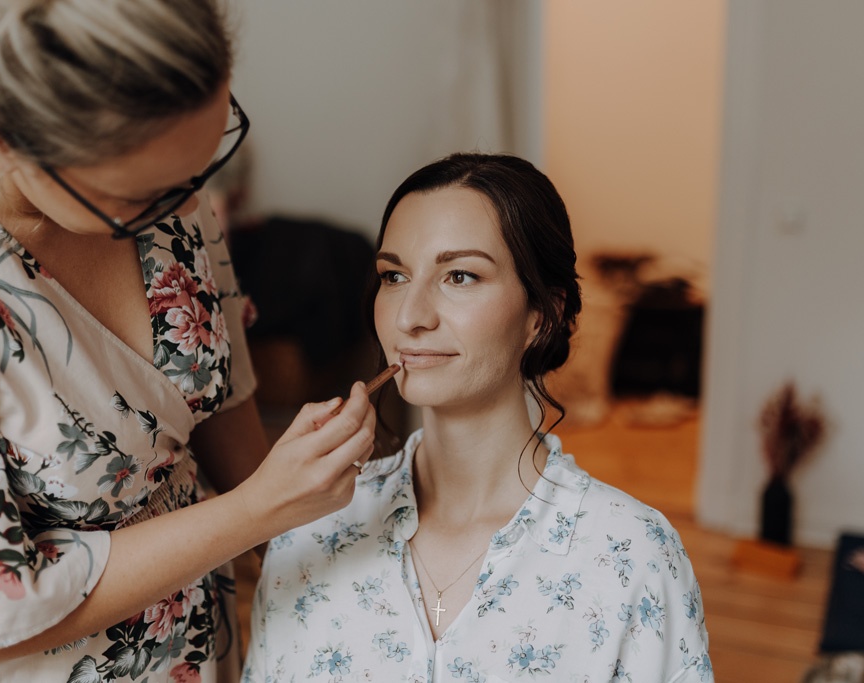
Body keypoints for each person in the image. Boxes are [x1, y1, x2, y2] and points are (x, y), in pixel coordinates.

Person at [0, 1, 376, 680]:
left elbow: (216, 396)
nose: (189, 210)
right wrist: (259, 508)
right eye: (147, 196)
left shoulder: (164, 178)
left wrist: (309, 549)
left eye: (203, 164)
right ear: (1, 144)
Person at [243, 153, 714, 682]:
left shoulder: (634, 557)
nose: (409, 317)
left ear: (543, 314)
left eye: (460, 276)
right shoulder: (310, 529)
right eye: (394, 275)